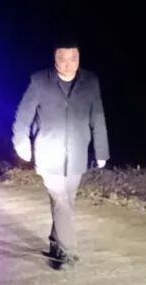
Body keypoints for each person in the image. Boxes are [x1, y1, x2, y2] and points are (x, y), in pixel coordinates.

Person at [12, 39, 109, 267]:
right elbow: (23, 115)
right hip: (48, 152)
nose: (68, 64)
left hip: (77, 153)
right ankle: (68, 253)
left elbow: (97, 116)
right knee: (61, 202)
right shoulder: (39, 81)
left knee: (67, 202)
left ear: (79, 58)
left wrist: (101, 150)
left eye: (73, 58)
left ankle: (56, 244)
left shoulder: (90, 81)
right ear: (54, 59)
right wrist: (21, 142)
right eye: (62, 59)